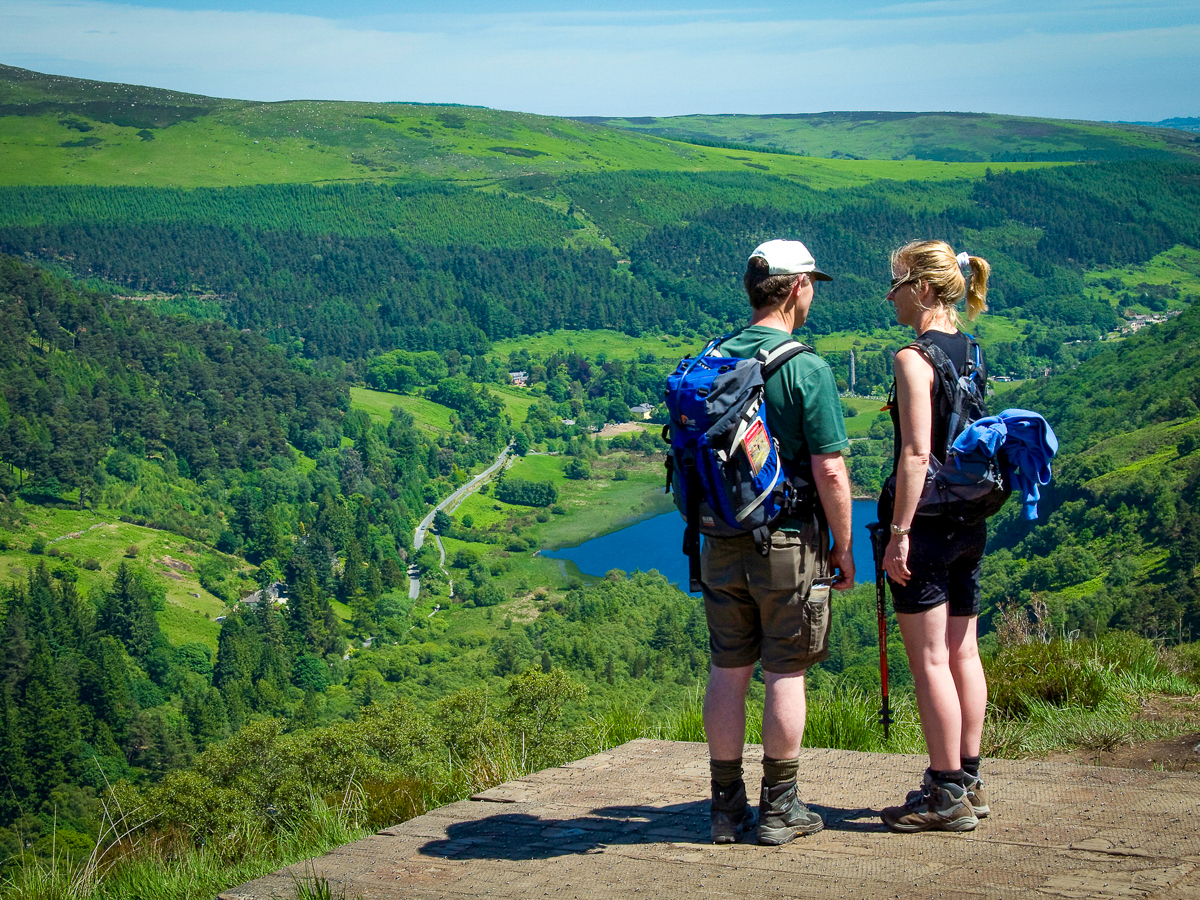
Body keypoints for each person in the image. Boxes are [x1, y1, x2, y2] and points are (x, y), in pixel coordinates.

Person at [703, 239, 855, 845]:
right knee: (785, 670)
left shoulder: (715, 357)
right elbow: (831, 472)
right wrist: (843, 548)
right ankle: (780, 807)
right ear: (795, 289)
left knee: (729, 667)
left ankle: (723, 808)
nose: (813, 292)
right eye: (811, 282)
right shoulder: (805, 368)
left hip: (717, 539)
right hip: (787, 545)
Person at [878, 240, 992, 833]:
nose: (890, 297)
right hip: (968, 520)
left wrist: (898, 533)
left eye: (895, 285)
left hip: (924, 525)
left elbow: (917, 452)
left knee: (927, 661)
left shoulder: (912, 357)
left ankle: (945, 794)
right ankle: (968, 779)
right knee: (962, 652)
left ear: (921, 289)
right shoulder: (969, 349)